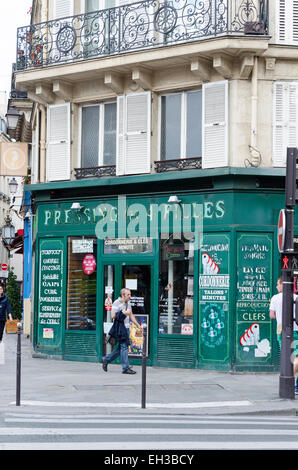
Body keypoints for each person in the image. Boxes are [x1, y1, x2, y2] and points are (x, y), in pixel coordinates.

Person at [102, 288, 142, 374]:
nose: (130, 296)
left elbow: (131, 315)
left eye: (130, 294)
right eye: (128, 295)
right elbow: (113, 316)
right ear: (123, 295)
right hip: (120, 329)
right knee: (124, 347)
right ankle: (125, 368)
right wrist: (124, 313)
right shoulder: (117, 303)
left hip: (127, 328)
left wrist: (138, 325)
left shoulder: (128, 303)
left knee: (120, 348)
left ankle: (106, 359)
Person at [269, 277, 298, 394]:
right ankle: (294, 384)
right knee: (296, 357)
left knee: (288, 357)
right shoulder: (296, 297)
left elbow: (272, 315)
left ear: (283, 285)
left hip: (281, 331)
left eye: (278, 284)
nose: (276, 287)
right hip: (296, 330)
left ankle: (288, 378)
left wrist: (280, 317)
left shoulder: (275, 298)